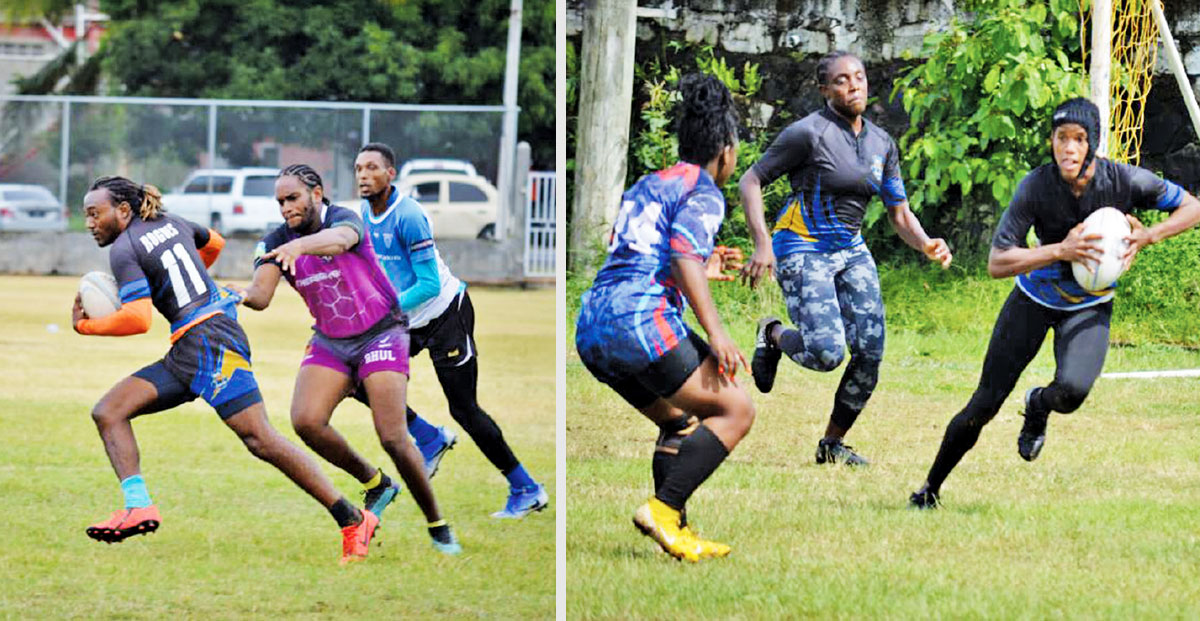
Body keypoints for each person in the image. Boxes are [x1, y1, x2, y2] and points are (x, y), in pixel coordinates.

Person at [909, 97, 1200, 508]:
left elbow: (1192, 207)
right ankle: (929, 489)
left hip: (1089, 304)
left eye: (1079, 139)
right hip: (1033, 299)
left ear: (1093, 143)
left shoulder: (1125, 182)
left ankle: (1037, 404)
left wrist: (1149, 235)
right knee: (984, 403)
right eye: (1061, 138)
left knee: (1072, 391)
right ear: (1052, 141)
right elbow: (997, 262)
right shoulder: (1036, 186)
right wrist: (1060, 250)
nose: (1068, 148)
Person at [73, 175, 375, 564]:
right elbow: (214, 242)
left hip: (209, 343)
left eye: (95, 214)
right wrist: (186, 284)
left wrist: (86, 326)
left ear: (124, 210)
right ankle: (139, 506)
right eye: (86, 216)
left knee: (261, 439)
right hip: (191, 344)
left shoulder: (126, 247)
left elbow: (137, 318)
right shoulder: (171, 221)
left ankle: (352, 519)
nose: (90, 223)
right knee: (109, 411)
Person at [739, 50, 952, 466]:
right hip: (801, 245)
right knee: (826, 353)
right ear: (824, 90)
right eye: (840, 80)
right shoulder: (807, 134)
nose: (853, 85)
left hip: (851, 250)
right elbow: (751, 180)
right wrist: (761, 243)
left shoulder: (880, 143)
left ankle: (832, 444)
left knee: (870, 352)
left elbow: (899, 213)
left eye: (858, 76)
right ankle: (773, 335)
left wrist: (925, 242)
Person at [233, 164, 460, 554]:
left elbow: (340, 241)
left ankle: (437, 524)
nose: (286, 208)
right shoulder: (274, 241)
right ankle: (377, 484)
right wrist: (232, 294)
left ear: (316, 194)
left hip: (382, 332)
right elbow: (261, 296)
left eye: (293, 198)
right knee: (306, 420)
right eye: (280, 202)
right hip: (331, 341)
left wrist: (300, 246)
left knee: (392, 435)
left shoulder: (344, 219)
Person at [575, 74, 755, 562]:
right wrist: (717, 333)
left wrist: (700, 264)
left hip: (592, 325)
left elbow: (633, 246)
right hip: (640, 322)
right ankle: (663, 507)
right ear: (725, 151)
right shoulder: (705, 190)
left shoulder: (650, 182)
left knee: (680, 421)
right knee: (736, 410)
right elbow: (680, 255)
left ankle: (674, 526)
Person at [352, 142, 548, 518]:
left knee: (464, 409)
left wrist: (382, 308)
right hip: (406, 321)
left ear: (390, 174)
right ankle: (429, 437)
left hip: (446, 315)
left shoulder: (408, 215)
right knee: (356, 377)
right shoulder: (364, 213)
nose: (363, 175)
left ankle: (526, 488)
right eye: (359, 168)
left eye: (372, 168)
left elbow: (427, 284)